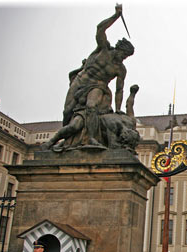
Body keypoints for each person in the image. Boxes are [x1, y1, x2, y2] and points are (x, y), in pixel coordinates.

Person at [44, 4, 135, 150]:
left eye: (126, 57)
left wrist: (118, 109)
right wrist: (115, 16)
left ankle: (92, 138)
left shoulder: (120, 69)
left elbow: (119, 90)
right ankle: (66, 141)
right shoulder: (104, 50)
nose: (123, 58)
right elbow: (100, 29)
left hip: (99, 87)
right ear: (118, 49)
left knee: (91, 107)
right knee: (67, 112)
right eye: (123, 54)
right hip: (81, 81)